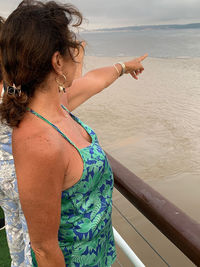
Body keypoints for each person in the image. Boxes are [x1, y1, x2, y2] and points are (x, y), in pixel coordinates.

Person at [0, 0, 147, 266]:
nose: (77, 52)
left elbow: (93, 80)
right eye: (72, 46)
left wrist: (124, 67)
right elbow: (44, 248)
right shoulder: (39, 142)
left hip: (100, 254)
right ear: (57, 61)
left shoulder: (57, 106)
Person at [0, 16, 32, 267]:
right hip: (23, 174)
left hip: (1, 176)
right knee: (33, 234)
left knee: (13, 226)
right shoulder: (13, 90)